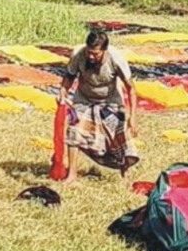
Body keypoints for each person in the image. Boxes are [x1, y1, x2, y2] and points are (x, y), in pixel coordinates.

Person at [57, 30, 139, 182]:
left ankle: (125, 172)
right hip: (84, 98)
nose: (91, 56)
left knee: (118, 134)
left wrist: (132, 117)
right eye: (89, 52)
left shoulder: (116, 59)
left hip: (111, 100)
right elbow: (69, 76)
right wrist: (63, 91)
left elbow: (131, 89)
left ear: (104, 50)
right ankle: (72, 175)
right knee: (75, 130)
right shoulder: (78, 55)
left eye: (95, 54)